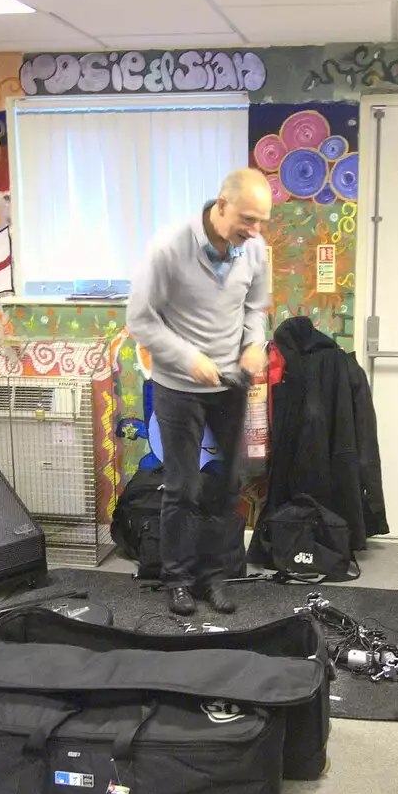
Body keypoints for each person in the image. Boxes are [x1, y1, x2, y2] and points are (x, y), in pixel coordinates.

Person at [126, 168, 273, 616]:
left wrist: (252, 344)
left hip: (230, 384)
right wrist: (189, 359)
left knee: (226, 485)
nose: (256, 230)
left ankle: (213, 577)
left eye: (262, 221)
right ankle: (177, 579)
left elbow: (256, 307)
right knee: (183, 488)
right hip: (178, 386)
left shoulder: (255, 249)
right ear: (221, 205)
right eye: (248, 219)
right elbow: (140, 320)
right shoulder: (169, 248)